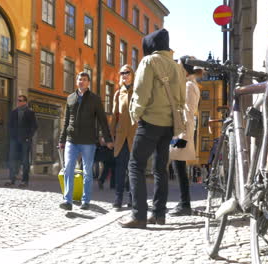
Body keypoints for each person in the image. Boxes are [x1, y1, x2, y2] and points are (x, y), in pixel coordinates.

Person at [119, 28, 186, 228]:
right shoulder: (176, 66)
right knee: (160, 169)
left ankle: (139, 215)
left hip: (150, 122)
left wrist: (135, 115)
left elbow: (141, 92)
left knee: (135, 165)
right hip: (168, 125)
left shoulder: (148, 61)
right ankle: (158, 214)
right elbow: (181, 97)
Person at [58, 72, 113, 211]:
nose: (81, 82)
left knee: (87, 172)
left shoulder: (95, 99)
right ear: (76, 81)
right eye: (79, 79)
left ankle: (86, 200)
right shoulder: (70, 98)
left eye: (84, 80)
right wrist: (62, 140)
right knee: (69, 168)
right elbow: (66, 121)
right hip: (72, 140)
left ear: (88, 83)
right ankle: (67, 200)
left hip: (88, 141)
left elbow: (102, 120)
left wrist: (107, 139)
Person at [168, 56, 203, 216]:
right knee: (179, 169)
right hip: (182, 132)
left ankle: (184, 204)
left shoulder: (189, 86)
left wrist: (183, 137)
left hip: (182, 133)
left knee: (179, 170)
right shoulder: (189, 84)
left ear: (186, 69)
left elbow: (188, 113)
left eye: (180, 66)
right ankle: (184, 203)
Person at [110, 64, 137, 210]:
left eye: (127, 72)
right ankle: (118, 199)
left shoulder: (138, 91)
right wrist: (110, 137)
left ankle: (133, 198)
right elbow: (114, 116)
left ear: (132, 74)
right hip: (121, 138)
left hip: (134, 137)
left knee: (133, 170)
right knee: (120, 170)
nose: (124, 75)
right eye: (122, 73)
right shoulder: (117, 93)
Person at [6, 95, 38, 187]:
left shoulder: (30, 112)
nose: (18, 102)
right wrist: (11, 136)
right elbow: (9, 125)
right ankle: (11, 179)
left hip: (25, 140)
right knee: (12, 159)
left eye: (20, 100)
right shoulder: (14, 112)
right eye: (18, 100)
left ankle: (24, 180)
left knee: (25, 161)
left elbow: (34, 126)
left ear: (25, 102)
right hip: (14, 139)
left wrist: (29, 137)